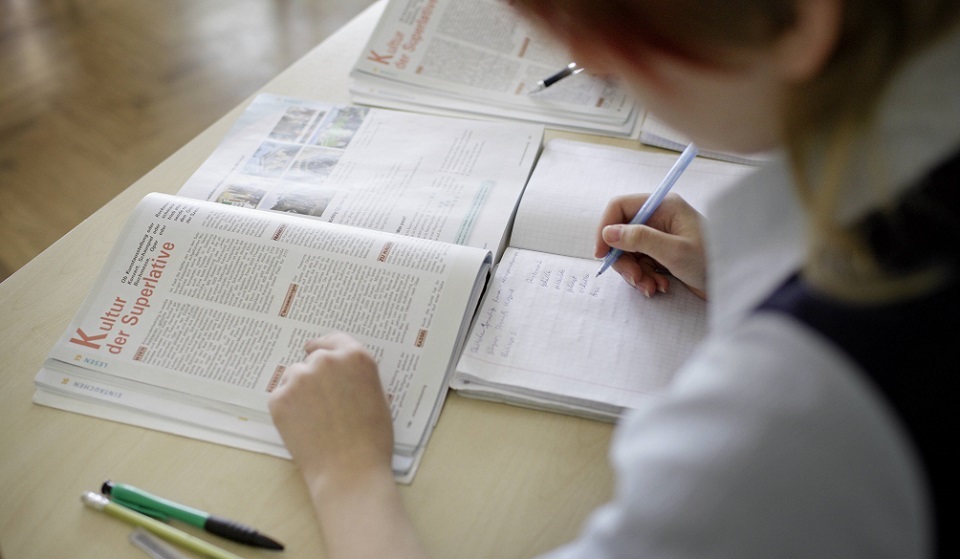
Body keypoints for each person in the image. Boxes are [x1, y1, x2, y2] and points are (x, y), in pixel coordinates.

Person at [268, 0, 960, 557]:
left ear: (798, 20)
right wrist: (739, 271)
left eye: (606, 24)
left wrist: (347, 474)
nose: (591, 62)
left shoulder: (787, 418)